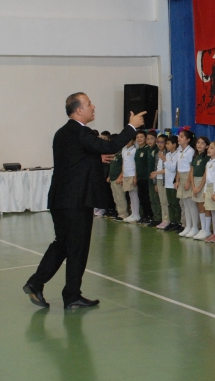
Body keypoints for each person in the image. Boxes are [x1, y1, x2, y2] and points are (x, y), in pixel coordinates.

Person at [23, 93, 144, 309]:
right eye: (89, 104)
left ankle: (36, 283)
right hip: (77, 201)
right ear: (79, 110)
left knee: (62, 244)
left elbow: (73, 158)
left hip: (60, 200)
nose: (93, 106)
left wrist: (93, 158)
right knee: (77, 248)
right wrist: (131, 127)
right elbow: (111, 145)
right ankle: (71, 295)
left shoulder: (62, 133)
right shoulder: (81, 132)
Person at [176, 129, 197, 237]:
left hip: (188, 177)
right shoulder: (179, 150)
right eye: (179, 136)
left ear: (188, 140)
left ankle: (195, 227)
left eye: (182, 136)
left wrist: (188, 181)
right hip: (181, 177)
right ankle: (188, 226)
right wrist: (177, 180)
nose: (179, 138)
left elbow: (191, 168)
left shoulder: (190, 151)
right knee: (184, 204)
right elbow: (179, 168)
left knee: (191, 204)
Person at [190, 137, 212, 240]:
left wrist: (199, 187)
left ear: (207, 146)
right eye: (198, 143)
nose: (199, 145)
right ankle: (202, 228)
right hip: (195, 182)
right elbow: (192, 171)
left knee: (205, 205)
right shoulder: (195, 157)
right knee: (199, 205)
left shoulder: (207, 158)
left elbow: (205, 173)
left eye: (202, 143)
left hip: (203, 183)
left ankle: (207, 229)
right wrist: (193, 186)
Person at [163, 136, 183, 232]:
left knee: (176, 204)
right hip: (167, 183)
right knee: (170, 204)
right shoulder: (167, 155)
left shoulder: (177, 154)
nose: (166, 145)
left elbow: (173, 168)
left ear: (174, 145)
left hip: (173, 183)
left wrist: (164, 160)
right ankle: (172, 221)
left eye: (168, 143)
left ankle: (179, 222)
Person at [203, 142, 215, 241]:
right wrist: (205, 190)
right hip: (209, 187)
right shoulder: (208, 162)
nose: (209, 149)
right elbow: (207, 178)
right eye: (209, 147)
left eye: (212, 148)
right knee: (213, 211)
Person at [134, 130, 153, 224]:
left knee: (147, 198)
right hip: (140, 178)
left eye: (141, 137)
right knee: (141, 197)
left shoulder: (147, 150)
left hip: (146, 178)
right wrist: (135, 177)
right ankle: (144, 215)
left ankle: (150, 216)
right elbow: (137, 165)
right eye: (137, 137)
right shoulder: (138, 150)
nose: (139, 139)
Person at [120, 137, 140, 223]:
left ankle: (136, 214)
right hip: (126, 174)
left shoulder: (135, 150)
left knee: (134, 194)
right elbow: (123, 162)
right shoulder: (123, 149)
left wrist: (135, 177)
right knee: (130, 195)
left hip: (132, 174)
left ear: (133, 141)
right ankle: (133, 213)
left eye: (129, 140)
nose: (127, 142)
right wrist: (122, 175)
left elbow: (136, 164)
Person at [152, 134, 170, 229]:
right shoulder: (157, 153)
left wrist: (157, 173)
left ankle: (167, 219)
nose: (159, 144)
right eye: (158, 142)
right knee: (162, 201)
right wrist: (155, 182)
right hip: (158, 179)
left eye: (162, 142)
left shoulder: (168, 154)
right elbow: (156, 167)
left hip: (165, 179)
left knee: (165, 201)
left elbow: (168, 168)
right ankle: (164, 219)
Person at [107, 143, 127, 222]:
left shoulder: (122, 154)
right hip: (112, 178)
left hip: (118, 178)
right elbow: (112, 166)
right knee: (115, 197)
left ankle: (123, 214)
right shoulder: (113, 154)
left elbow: (123, 165)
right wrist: (109, 176)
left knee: (120, 196)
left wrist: (120, 177)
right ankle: (119, 213)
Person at [145, 130, 161, 227]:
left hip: (156, 178)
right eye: (148, 139)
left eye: (152, 139)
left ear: (156, 140)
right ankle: (155, 217)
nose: (149, 141)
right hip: (149, 178)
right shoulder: (148, 149)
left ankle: (159, 218)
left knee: (157, 199)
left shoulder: (156, 150)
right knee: (152, 199)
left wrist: (155, 180)